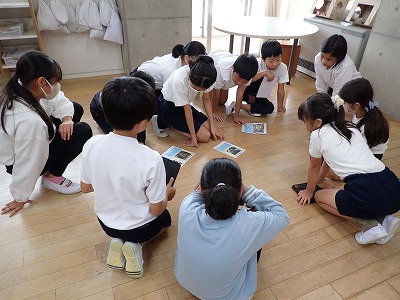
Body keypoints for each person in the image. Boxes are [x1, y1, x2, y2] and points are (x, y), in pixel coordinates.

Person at [80, 77, 176, 277]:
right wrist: (167, 193)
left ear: (105, 114)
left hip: (106, 224)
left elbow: (85, 187)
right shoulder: (151, 159)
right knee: (166, 220)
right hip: (140, 229)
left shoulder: (92, 144)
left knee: (124, 229)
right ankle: (136, 245)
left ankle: (118, 242)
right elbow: (157, 209)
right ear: (143, 124)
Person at [174, 157, 289, 299]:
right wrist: (247, 191)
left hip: (186, 282)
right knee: (257, 232)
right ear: (240, 191)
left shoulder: (187, 206)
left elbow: (199, 192)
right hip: (230, 297)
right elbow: (281, 215)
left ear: (201, 188)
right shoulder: (250, 223)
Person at [296, 93, 400, 245]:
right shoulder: (350, 127)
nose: (305, 126)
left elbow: (314, 165)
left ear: (317, 122)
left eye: (305, 122)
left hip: (366, 193)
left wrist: (309, 191)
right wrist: (320, 180)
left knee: (320, 198)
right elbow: (329, 160)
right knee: (368, 199)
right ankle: (386, 218)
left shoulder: (317, 135)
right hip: (393, 188)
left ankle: (369, 225)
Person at [0, 51, 92, 217]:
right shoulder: (30, 123)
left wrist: (66, 119)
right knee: (83, 130)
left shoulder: (21, 85)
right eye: (56, 81)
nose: (58, 85)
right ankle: (52, 176)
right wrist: (20, 197)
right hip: (19, 160)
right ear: (41, 82)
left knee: (74, 109)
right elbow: (28, 161)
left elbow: (58, 98)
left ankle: (63, 126)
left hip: (26, 142)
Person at [136, 41, 207, 138]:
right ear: (186, 58)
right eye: (198, 61)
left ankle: (162, 119)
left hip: (157, 82)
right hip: (141, 80)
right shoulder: (172, 72)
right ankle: (159, 122)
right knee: (153, 107)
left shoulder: (184, 64)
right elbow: (169, 98)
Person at [157, 55, 224, 148]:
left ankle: (171, 123)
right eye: (195, 88)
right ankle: (166, 122)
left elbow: (207, 100)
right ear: (189, 75)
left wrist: (213, 126)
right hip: (168, 107)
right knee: (205, 137)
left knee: (210, 129)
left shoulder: (208, 76)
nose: (198, 91)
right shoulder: (179, 80)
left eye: (201, 90)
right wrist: (193, 138)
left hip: (184, 105)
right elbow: (187, 111)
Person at [89, 70, 156, 144]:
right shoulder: (112, 103)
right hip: (99, 113)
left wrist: (140, 142)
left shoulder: (120, 89)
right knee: (119, 136)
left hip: (110, 111)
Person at [238, 40, 289, 116]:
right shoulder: (257, 64)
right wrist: (264, 73)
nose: (275, 64)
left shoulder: (283, 68)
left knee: (270, 108)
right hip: (247, 93)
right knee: (258, 77)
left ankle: (239, 106)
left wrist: (280, 107)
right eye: (271, 61)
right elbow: (249, 80)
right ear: (263, 59)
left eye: (278, 59)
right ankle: (251, 104)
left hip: (261, 95)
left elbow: (281, 90)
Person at [211, 53, 258, 124]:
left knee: (222, 101)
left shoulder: (248, 75)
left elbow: (240, 93)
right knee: (211, 94)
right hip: (212, 64)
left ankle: (222, 85)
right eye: (238, 78)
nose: (239, 83)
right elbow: (215, 92)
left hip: (225, 76)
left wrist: (236, 116)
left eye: (244, 81)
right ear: (233, 68)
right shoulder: (221, 70)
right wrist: (214, 111)